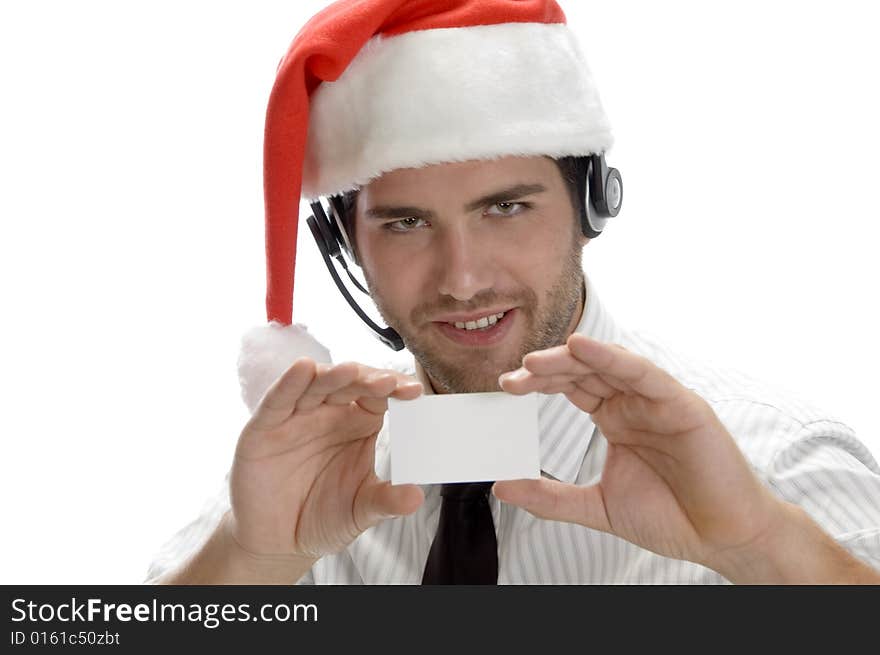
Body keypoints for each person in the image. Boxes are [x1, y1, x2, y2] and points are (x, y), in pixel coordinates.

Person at [146, 0, 880, 584]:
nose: (462, 278)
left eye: (505, 207)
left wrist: (761, 547)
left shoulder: (781, 466)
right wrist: (249, 562)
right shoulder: (303, 489)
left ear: (592, 208)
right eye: (405, 223)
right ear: (349, 248)